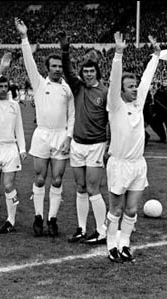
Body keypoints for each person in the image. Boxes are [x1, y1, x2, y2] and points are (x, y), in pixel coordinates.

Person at [15, 18, 75, 237]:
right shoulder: (40, 84)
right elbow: (28, 61)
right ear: (47, 69)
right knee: (40, 178)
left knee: (57, 179)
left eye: (60, 67)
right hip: (42, 135)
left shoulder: (68, 90)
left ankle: (53, 219)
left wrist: (69, 137)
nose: (58, 70)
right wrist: (24, 37)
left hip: (61, 137)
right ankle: (38, 217)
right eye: (54, 67)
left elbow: (73, 116)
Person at [105, 32, 160, 263]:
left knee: (131, 210)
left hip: (138, 165)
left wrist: (156, 55)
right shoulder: (115, 105)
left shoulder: (138, 105)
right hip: (119, 164)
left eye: (135, 86)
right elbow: (114, 80)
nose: (135, 89)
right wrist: (118, 53)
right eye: (130, 87)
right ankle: (111, 245)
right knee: (116, 210)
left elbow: (147, 79)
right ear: (120, 90)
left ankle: (125, 244)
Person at [57, 31, 108, 245]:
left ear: (97, 72)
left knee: (93, 187)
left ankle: (101, 230)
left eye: (91, 71)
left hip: (96, 145)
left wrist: (110, 146)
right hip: (77, 144)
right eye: (85, 71)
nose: (88, 74)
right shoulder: (77, 88)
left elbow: (111, 121)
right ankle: (81, 228)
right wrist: (65, 50)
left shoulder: (104, 92)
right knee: (80, 187)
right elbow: (68, 71)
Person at [0, 52, 27, 233]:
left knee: (9, 185)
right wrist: (1, 69)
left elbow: (19, 128)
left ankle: (10, 220)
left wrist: (22, 149)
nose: (1, 88)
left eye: (4, 86)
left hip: (10, 149)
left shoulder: (14, 105)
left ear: (8, 88)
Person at [150, 78, 167, 144]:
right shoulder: (159, 90)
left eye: (165, 81)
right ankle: (163, 137)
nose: (164, 82)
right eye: (163, 81)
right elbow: (156, 99)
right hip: (160, 111)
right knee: (156, 123)